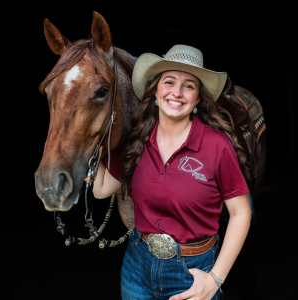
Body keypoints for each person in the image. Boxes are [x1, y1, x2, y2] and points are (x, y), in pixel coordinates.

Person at [93, 45, 251, 300]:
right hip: (137, 268)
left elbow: (241, 213)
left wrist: (215, 279)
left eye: (189, 86)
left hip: (192, 274)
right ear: (155, 90)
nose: (177, 92)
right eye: (169, 82)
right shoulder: (137, 141)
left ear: (197, 98)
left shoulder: (217, 146)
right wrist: (91, 141)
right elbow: (101, 189)